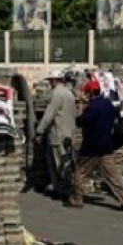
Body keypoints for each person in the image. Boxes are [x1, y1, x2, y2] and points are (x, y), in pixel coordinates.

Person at [66, 80, 123, 210]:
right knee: (112, 174)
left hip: (91, 147)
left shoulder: (93, 107)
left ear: (90, 92)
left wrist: (80, 105)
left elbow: (80, 122)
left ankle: (76, 199)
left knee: (80, 172)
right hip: (107, 145)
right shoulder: (107, 104)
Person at [34, 70, 76, 199]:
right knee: (64, 161)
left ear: (54, 80)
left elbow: (49, 114)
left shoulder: (57, 94)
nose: (49, 83)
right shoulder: (69, 93)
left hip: (58, 133)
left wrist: (39, 130)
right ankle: (61, 188)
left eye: (50, 81)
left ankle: (64, 190)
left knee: (58, 163)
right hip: (69, 132)